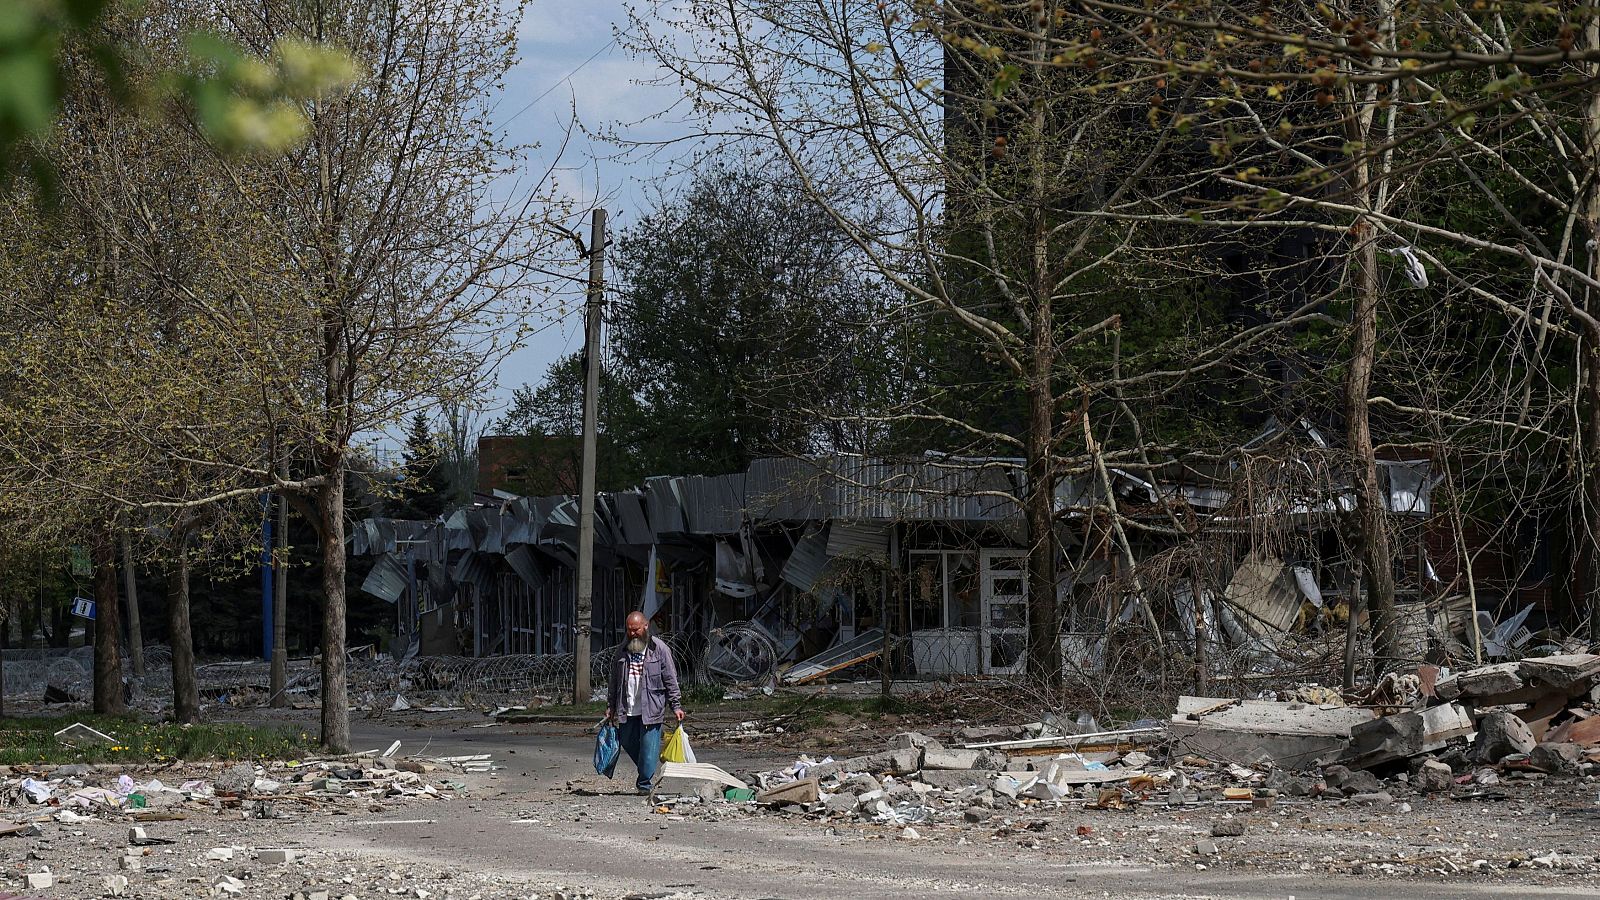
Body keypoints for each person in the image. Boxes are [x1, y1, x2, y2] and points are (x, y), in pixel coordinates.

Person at [605, 611, 685, 793]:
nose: (632, 633)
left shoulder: (660, 649)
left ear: (646, 626)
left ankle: (644, 784)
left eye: (636, 629)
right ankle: (646, 767)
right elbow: (614, 681)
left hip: (652, 708)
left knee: (649, 747)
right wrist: (610, 706)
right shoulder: (622, 651)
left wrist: (676, 705)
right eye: (629, 630)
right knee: (626, 740)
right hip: (627, 707)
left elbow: (670, 679)